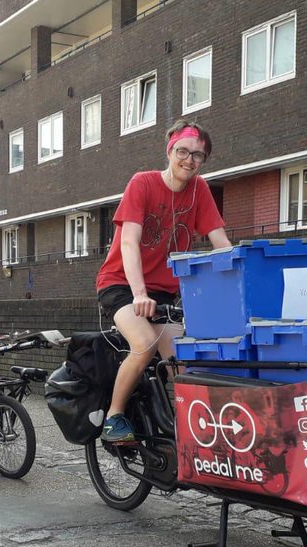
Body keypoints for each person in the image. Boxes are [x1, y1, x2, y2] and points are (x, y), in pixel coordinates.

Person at [95, 119, 232, 444]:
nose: (190, 160)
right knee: (144, 344)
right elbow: (129, 242)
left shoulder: (200, 190)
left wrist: (246, 279)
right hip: (121, 284)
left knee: (184, 360)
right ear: (170, 151)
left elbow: (221, 244)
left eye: (198, 155)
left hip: (163, 292)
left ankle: (195, 431)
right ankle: (114, 417)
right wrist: (139, 293)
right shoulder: (142, 183)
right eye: (183, 151)